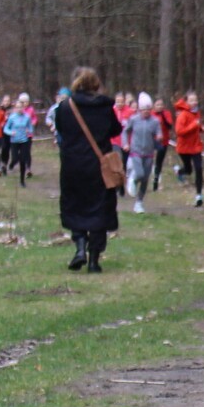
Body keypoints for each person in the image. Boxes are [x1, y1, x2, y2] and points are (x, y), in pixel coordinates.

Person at [55, 67, 122, 274]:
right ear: (96, 83)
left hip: (73, 166)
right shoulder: (105, 107)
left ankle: (80, 246)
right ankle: (94, 260)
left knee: (75, 206)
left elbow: (60, 129)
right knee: (100, 209)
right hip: (99, 167)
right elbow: (116, 130)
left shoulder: (65, 107)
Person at [120, 94, 162, 214]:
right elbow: (125, 132)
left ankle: (139, 203)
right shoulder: (134, 119)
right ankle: (132, 180)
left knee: (145, 178)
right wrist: (125, 143)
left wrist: (159, 136)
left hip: (149, 153)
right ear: (139, 109)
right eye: (143, 109)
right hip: (136, 151)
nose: (146, 112)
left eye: (148, 109)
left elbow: (159, 132)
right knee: (139, 173)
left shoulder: (155, 121)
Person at [174, 92, 204, 205]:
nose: (194, 102)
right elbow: (179, 131)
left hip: (196, 146)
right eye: (192, 100)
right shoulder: (182, 115)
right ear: (186, 102)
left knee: (199, 169)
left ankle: (199, 196)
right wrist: (194, 125)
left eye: (195, 100)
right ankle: (179, 171)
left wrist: (201, 128)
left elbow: (196, 127)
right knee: (188, 170)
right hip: (184, 148)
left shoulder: (197, 113)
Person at [2, 95, 36, 186]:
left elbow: (31, 128)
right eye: (17, 107)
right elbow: (6, 129)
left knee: (22, 160)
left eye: (21, 107)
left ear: (23, 108)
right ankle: (12, 164)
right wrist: (11, 132)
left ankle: (22, 181)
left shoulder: (27, 117)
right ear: (15, 108)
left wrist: (29, 131)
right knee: (15, 158)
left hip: (24, 141)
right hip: (14, 141)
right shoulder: (12, 117)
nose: (19, 109)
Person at [151, 96, 175, 190]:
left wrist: (163, 117)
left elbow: (169, 126)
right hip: (152, 141)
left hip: (163, 141)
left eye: (161, 105)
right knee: (150, 159)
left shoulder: (166, 113)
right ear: (154, 106)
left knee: (159, 161)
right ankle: (151, 174)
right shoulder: (151, 114)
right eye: (158, 105)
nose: (160, 106)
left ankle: (156, 180)